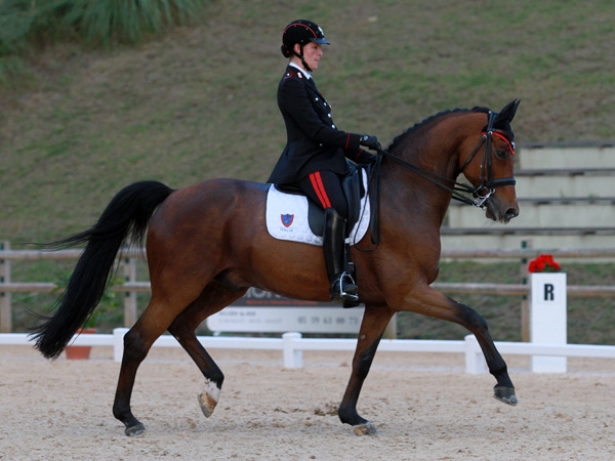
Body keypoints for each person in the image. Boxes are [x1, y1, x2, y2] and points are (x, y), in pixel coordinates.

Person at [267, 19, 380, 303]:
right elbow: (317, 133)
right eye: (315, 47)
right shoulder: (291, 86)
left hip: (327, 159)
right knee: (337, 206)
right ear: (297, 48)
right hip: (309, 164)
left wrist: (365, 158)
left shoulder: (306, 82)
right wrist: (359, 138)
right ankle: (339, 280)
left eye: (320, 48)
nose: (320, 53)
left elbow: (329, 135)